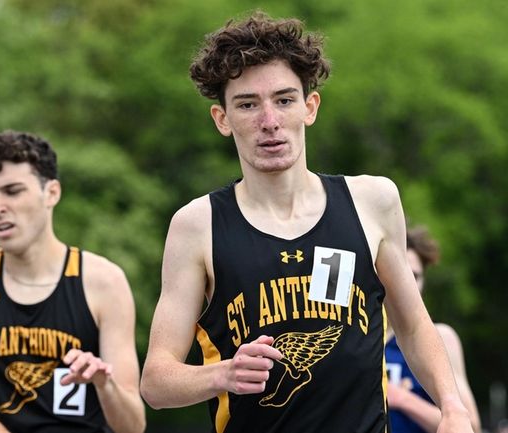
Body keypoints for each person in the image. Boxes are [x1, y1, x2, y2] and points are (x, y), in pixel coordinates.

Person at [139, 10, 472, 433]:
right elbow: (155, 381)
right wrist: (221, 374)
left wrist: (452, 407)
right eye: (247, 104)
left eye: (284, 99)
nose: (269, 121)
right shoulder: (197, 224)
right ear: (222, 119)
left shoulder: (372, 201)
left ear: (309, 107)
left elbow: (411, 324)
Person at [0, 131, 146, 433]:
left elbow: (132, 426)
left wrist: (104, 384)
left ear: (51, 193)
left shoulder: (104, 281)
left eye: (12, 191)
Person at [385, 225, 481, 433]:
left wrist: (403, 399)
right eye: (397, 273)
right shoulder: (354, 337)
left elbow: (471, 424)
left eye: (415, 276)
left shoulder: (441, 338)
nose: (406, 284)